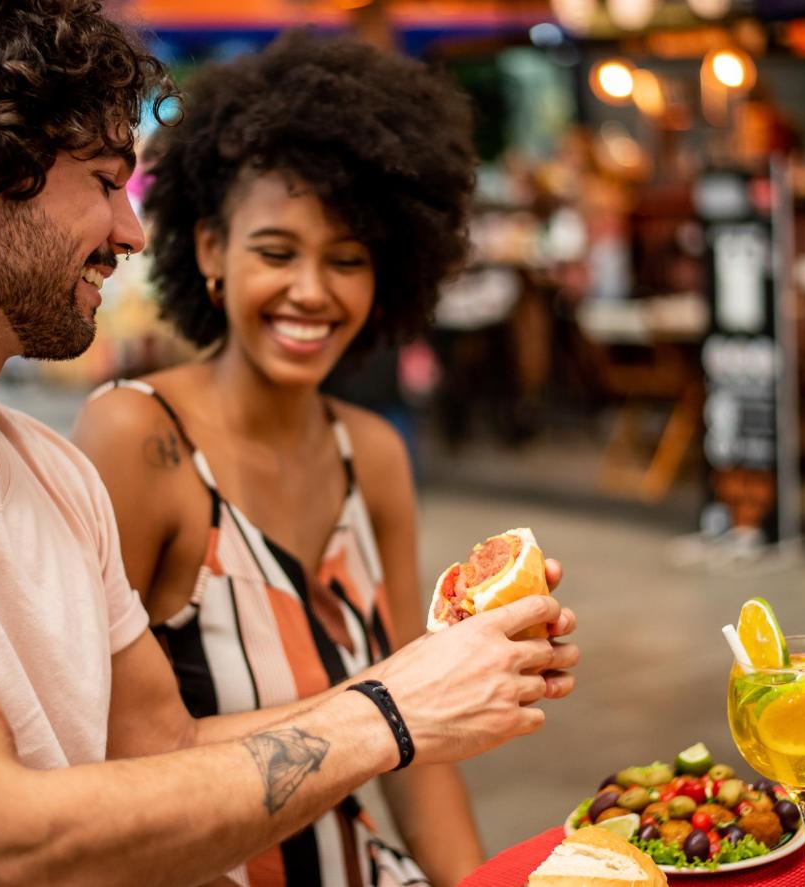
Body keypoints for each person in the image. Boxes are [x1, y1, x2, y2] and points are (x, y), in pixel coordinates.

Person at [0, 3, 579, 885]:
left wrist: (439, 676)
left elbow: (163, 748)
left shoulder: (51, 471)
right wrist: (395, 710)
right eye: (107, 181)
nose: (132, 231)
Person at [70, 30, 556, 886]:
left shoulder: (372, 455)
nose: (312, 291)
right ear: (211, 250)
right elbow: (100, 757)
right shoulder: (135, 437)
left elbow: (425, 754)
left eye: (348, 261)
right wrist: (396, 707)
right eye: (276, 252)